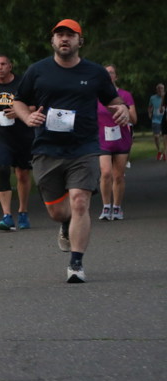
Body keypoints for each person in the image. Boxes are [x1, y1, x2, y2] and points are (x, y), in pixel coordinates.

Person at [11, 19, 129, 283]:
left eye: (70, 35)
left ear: (80, 41)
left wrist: (120, 107)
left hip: (84, 148)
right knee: (57, 212)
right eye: (60, 35)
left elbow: (112, 98)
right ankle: (65, 224)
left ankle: (76, 263)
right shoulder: (37, 70)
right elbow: (19, 101)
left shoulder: (95, 72)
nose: (64, 39)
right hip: (47, 148)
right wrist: (27, 117)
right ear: (53, 41)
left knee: (79, 201)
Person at [0, 55, 35, 231]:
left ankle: (23, 211)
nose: (0, 67)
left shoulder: (22, 83)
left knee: (22, 174)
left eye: (3, 64)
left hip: (22, 136)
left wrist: (19, 112)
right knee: (1, 170)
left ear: (10, 66)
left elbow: (35, 106)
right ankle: (6, 216)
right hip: (1, 136)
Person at [96, 65, 137, 220]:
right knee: (106, 173)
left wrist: (123, 110)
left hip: (121, 138)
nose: (108, 75)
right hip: (102, 139)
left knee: (118, 176)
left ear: (116, 77)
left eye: (111, 73)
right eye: (105, 73)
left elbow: (134, 119)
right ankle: (106, 207)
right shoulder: (96, 96)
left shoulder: (125, 95)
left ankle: (117, 208)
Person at [149, 83, 165, 160]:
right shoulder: (152, 98)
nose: (160, 90)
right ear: (156, 90)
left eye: (161, 88)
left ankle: (165, 152)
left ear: (164, 89)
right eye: (159, 88)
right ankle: (159, 151)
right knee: (156, 136)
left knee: (165, 137)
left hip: (165, 119)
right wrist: (149, 113)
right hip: (156, 119)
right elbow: (150, 107)